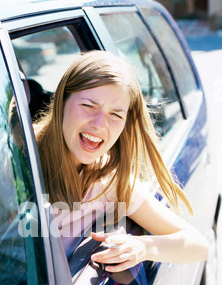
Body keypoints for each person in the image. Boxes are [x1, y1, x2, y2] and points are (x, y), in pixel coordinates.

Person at [35, 50, 209, 272]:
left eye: (115, 115)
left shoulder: (109, 181)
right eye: (88, 106)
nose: (99, 124)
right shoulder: (11, 158)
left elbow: (197, 245)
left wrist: (142, 247)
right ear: (62, 100)